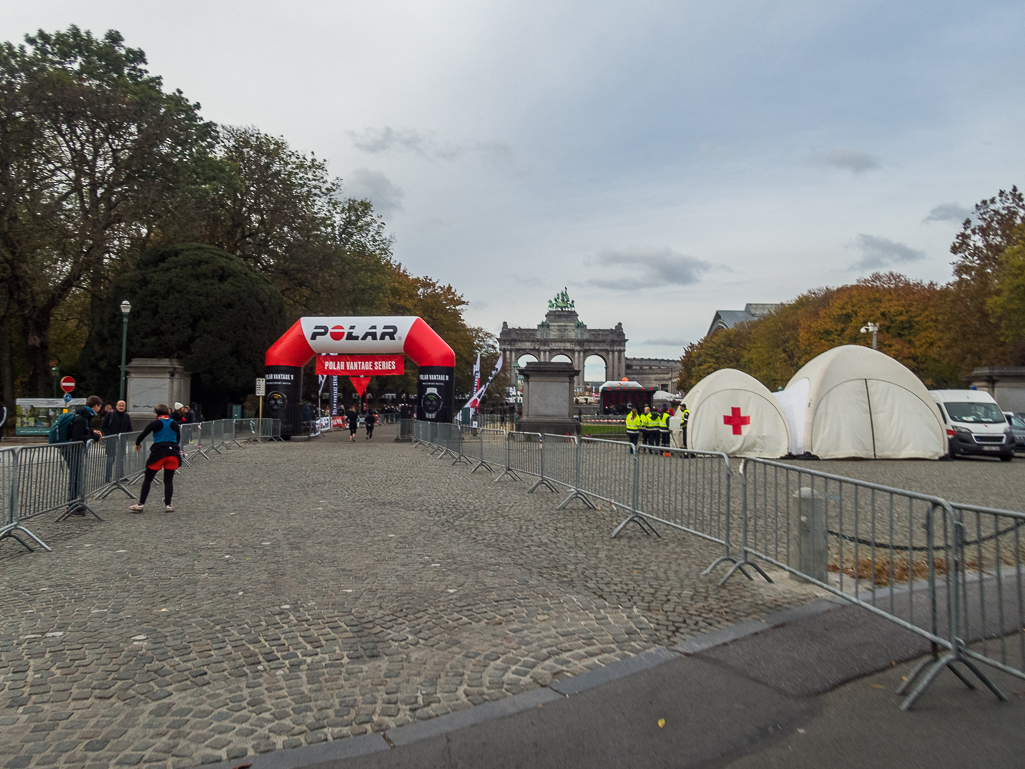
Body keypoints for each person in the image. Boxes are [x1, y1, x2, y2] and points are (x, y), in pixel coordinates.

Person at [129, 403, 181, 513]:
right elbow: (178, 438)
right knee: (168, 480)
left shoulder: (155, 423)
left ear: (156, 413)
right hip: (173, 453)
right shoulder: (174, 423)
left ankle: (141, 504)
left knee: (148, 479)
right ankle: (168, 505)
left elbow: (142, 435)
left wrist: (137, 444)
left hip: (159, 452)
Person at [63, 395, 104, 515]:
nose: (99, 410)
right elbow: (77, 436)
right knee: (75, 477)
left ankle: (76, 503)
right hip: (74, 450)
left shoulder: (84, 416)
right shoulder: (82, 418)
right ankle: (72, 504)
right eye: (99, 407)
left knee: (77, 477)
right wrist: (93, 437)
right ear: (96, 406)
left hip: (76, 450)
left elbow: (83, 431)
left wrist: (92, 432)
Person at [100, 400, 133, 482]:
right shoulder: (110, 415)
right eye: (120, 405)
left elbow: (130, 428)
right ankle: (108, 478)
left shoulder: (127, 416)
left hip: (122, 441)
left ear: (125, 407)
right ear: (116, 406)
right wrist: (110, 435)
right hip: (111, 440)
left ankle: (121, 476)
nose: (121, 407)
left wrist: (126, 436)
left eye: (123, 406)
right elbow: (104, 426)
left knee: (121, 459)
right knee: (110, 459)